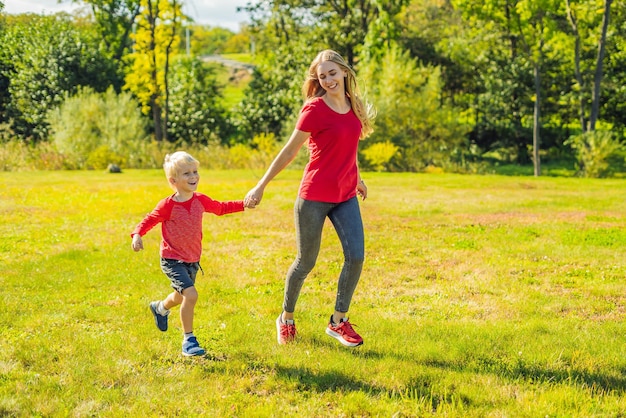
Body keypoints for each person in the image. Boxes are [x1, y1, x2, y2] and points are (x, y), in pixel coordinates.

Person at [244, 49, 375, 347]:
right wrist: (261, 185)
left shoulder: (353, 105)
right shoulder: (314, 109)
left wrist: (359, 177)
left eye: (332, 73)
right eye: (322, 76)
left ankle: (338, 320)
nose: (328, 80)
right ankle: (286, 318)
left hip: (344, 195)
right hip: (314, 195)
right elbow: (289, 151)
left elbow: (348, 148)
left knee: (355, 256)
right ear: (317, 80)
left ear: (344, 72)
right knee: (306, 261)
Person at [131, 151, 255, 356]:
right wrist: (137, 234)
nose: (193, 177)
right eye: (187, 173)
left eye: (195, 172)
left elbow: (221, 208)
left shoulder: (200, 200)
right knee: (191, 294)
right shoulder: (167, 205)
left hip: (192, 259)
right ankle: (189, 341)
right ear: (173, 180)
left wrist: (243, 203)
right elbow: (149, 220)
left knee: (181, 297)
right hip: (172, 259)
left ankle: (160, 307)